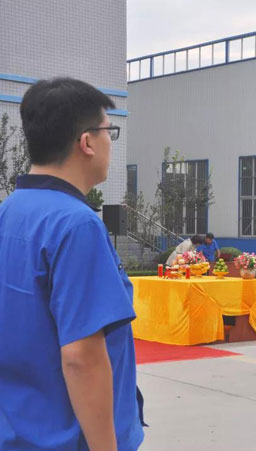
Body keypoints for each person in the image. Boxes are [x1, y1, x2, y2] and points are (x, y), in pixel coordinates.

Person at [0, 78, 144, 449]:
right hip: (67, 439)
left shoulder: (8, 213)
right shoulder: (76, 225)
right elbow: (82, 357)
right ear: (87, 142)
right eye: (109, 131)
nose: (110, 142)